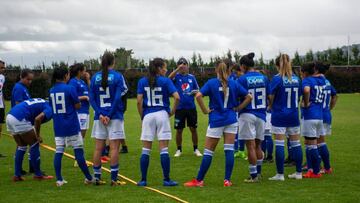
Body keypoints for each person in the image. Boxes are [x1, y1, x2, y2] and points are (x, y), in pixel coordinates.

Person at [184, 61, 252, 187]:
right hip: (231, 120)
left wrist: (205, 111)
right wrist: (238, 108)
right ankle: (227, 180)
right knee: (229, 150)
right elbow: (249, 97)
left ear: (216, 70)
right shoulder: (234, 83)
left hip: (216, 120)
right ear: (228, 70)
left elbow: (198, 96)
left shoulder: (212, 83)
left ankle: (199, 180)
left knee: (209, 152)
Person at [136, 58, 180, 187]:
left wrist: (142, 116)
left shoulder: (142, 81)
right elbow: (177, 97)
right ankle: (166, 180)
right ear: (159, 68)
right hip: (162, 115)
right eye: (165, 67)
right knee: (164, 150)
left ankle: (143, 180)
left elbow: (139, 101)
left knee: (145, 150)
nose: (166, 70)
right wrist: (172, 111)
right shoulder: (165, 81)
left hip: (148, 116)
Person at [49, 66, 94, 187]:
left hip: (58, 126)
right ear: (65, 76)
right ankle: (89, 178)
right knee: (78, 152)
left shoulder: (51, 90)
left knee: (59, 152)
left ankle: (59, 179)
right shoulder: (69, 88)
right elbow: (78, 106)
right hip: (71, 124)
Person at [90, 51, 128, 186]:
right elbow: (118, 98)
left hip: (99, 117)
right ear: (114, 62)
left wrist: (100, 114)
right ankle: (113, 179)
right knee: (114, 148)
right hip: (115, 116)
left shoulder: (94, 77)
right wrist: (109, 114)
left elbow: (92, 99)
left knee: (98, 148)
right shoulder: (118, 76)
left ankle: (97, 178)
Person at [268, 54, 302, 181]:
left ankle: (280, 174)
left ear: (277, 65)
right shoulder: (297, 79)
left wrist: (270, 105)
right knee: (296, 144)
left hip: (279, 115)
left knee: (280, 144)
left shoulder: (277, 79)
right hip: (293, 115)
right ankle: (298, 173)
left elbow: (270, 96)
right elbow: (299, 96)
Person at [237, 53, 269, 183]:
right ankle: (259, 173)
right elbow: (269, 96)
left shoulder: (242, 79)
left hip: (247, 113)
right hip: (261, 114)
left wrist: (237, 107)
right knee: (258, 145)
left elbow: (238, 96)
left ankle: (254, 175)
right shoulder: (264, 78)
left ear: (243, 66)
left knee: (250, 146)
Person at [6, 98, 54, 181]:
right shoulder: (50, 107)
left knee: (21, 146)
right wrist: (38, 135)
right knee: (35, 143)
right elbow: (37, 119)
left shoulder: (43, 102)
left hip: (10, 116)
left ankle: (17, 175)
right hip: (20, 118)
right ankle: (38, 175)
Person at [168, 57, 202, 157]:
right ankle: (179, 150)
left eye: (184, 64)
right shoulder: (176, 76)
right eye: (180, 64)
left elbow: (197, 90)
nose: (182, 66)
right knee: (179, 130)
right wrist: (178, 69)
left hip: (191, 107)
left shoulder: (192, 77)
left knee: (193, 129)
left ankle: (196, 149)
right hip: (179, 108)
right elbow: (168, 79)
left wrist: (194, 92)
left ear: (188, 66)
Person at [300, 62, 326, 178]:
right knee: (314, 144)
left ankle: (316, 171)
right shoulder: (321, 80)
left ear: (305, 73)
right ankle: (312, 169)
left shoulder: (307, 80)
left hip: (310, 116)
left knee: (311, 146)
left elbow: (306, 90)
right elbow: (322, 76)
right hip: (319, 116)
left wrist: (305, 103)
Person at [11, 68, 34, 174]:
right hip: (21, 120)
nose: (30, 82)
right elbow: (18, 105)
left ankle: (19, 170)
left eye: (31, 80)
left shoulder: (23, 87)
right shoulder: (19, 88)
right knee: (32, 143)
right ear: (22, 77)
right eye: (28, 79)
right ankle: (33, 168)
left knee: (21, 145)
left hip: (21, 120)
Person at [316, 62, 337, 174]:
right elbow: (335, 95)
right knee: (320, 142)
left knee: (317, 142)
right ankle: (323, 166)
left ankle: (321, 166)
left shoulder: (317, 81)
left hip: (318, 114)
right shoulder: (327, 82)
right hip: (326, 114)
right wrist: (330, 108)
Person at [68, 63, 91, 167]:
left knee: (82, 136)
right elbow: (72, 96)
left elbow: (90, 92)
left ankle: (79, 158)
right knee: (79, 136)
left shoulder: (82, 81)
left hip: (85, 111)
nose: (85, 72)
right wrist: (84, 98)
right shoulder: (73, 82)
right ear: (79, 71)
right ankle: (78, 160)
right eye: (84, 71)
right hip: (79, 111)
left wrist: (88, 79)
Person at [230, 64, 247, 159]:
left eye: (235, 72)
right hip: (235, 107)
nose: (234, 74)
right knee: (236, 129)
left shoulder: (243, 79)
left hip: (242, 107)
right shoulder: (233, 78)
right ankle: (237, 150)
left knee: (242, 130)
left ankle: (241, 150)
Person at [0, 59, 6, 158]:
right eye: (1, 68)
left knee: (0, 128)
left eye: (3, 67)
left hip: (0, 106)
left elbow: (1, 93)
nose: (3, 69)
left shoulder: (2, 77)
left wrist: (4, 104)